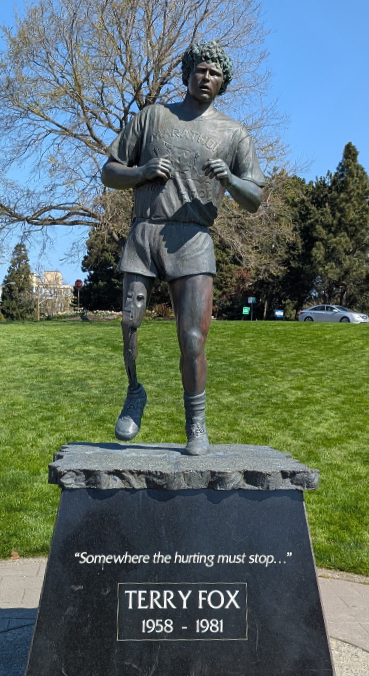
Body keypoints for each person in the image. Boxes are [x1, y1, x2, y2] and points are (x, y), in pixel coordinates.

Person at [101, 41, 266, 455]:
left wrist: (229, 179)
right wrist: (140, 172)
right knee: (129, 323)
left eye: (214, 73)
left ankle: (196, 423)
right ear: (188, 73)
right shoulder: (153, 117)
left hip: (193, 240)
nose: (206, 77)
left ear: (223, 83)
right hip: (146, 232)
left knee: (192, 338)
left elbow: (255, 198)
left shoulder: (233, 133)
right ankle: (135, 391)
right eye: (200, 70)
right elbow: (109, 171)